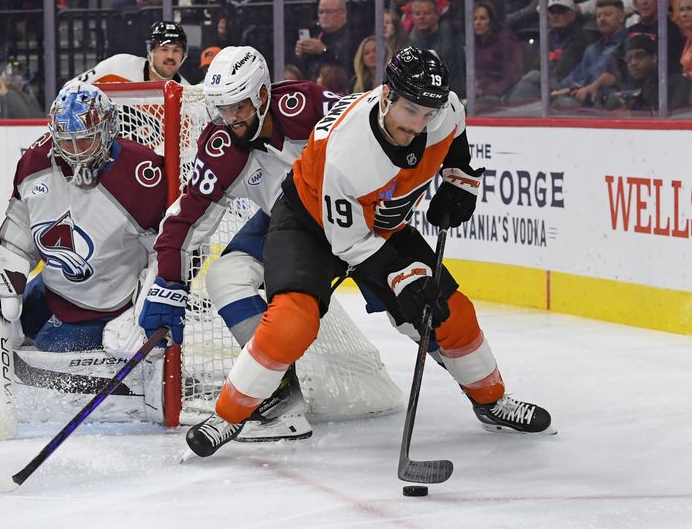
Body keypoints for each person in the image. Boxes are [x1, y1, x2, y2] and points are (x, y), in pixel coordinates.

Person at [182, 47, 554, 459]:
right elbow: (351, 246)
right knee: (292, 321)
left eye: (426, 114)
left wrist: (459, 180)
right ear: (386, 96)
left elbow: (456, 129)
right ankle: (228, 416)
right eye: (409, 110)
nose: (417, 125)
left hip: (379, 223)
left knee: (452, 313)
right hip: (307, 222)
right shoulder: (348, 153)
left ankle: (492, 401)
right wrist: (405, 282)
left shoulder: (441, 108)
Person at [139, 46, 342, 442]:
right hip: (290, 225)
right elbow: (188, 215)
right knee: (226, 277)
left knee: (412, 304)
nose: (231, 119)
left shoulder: (307, 104)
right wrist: (168, 280)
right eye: (222, 108)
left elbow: (371, 132)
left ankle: (485, 394)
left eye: (239, 107)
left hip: (356, 217)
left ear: (264, 94)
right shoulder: (222, 145)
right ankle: (278, 392)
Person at [0, 82, 169, 355]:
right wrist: (6, 283)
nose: (74, 151)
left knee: (49, 347)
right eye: (65, 140)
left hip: (107, 304)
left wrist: (144, 309)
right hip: (52, 289)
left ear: (108, 130)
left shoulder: (141, 175)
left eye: (85, 139)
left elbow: (168, 250)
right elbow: (21, 229)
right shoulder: (35, 162)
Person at [505, 0, 592, 105]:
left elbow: (563, 73)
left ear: (572, 14)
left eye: (561, 11)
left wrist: (538, 78)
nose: (556, 15)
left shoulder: (579, 37)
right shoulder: (548, 36)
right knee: (531, 78)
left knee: (534, 78)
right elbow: (537, 65)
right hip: (547, 88)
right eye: (552, 11)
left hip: (568, 91)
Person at [550, 0, 627, 109]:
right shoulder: (592, 49)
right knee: (535, 79)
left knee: (555, 106)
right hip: (579, 96)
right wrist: (554, 89)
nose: (601, 19)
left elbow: (601, 78)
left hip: (600, 102)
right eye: (598, 16)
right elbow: (575, 75)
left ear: (621, 17)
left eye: (607, 14)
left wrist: (571, 89)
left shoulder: (626, 44)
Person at [67, 20, 190, 85]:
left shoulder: (190, 96)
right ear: (150, 50)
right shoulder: (117, 66)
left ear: (183, 54)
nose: (170, 56)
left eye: (176, 50)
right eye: (164, 49)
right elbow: (70, 89)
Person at [408, 0, 465, 96]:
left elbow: (452, 77)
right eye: (417, 14)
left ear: (436, 16)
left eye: (427, 13)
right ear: (412, 17)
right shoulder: (408, 42)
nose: (421, 17)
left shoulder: (450, 42)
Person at [472, 1, 523, 111]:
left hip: (502, 96)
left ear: (491, 21)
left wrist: (485, 90)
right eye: (474, 19)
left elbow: (512, 76)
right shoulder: (472, 43)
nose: (477, 23)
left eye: (482, 18)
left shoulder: (506, 41)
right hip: (476, 95)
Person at [294, 0, 357, 82]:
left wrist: (323, 51)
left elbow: (348, 68)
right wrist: (301, 55)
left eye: (329, 12)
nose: (324, 16)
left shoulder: (353, 37)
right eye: (321, 12)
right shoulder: (315, 35)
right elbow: (304, 70)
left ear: (343, 13)